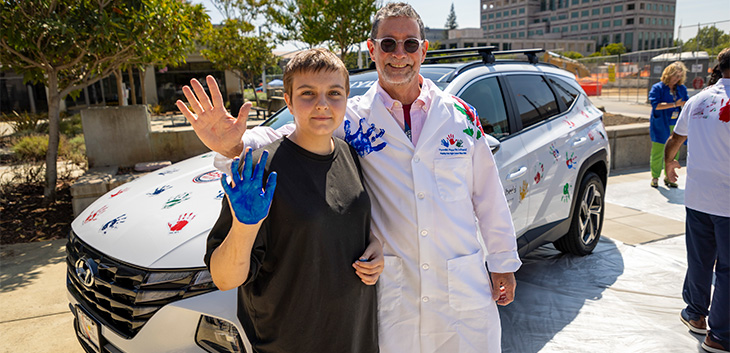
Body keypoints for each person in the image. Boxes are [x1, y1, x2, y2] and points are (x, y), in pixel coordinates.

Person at [179, 3, 521, 352]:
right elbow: (287, 136)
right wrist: (235, 144)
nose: (399, 54)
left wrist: (503, 261)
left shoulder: (461, 116)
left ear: (424, 50)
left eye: (410, 44)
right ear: (372, 49)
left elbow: (488, 194)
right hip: (396, 292)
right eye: (388, 43)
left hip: (461, 285)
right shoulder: (352, 117)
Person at [190, 48, 384, 353]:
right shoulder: (258, 171)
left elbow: (341, 219)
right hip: (290, 342)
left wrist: (374, 246)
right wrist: (244, 225)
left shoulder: (349, 154)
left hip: (355, 337)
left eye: (333, 93)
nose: (322, 104)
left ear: (346, 98)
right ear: (289, 101)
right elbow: (225, 279)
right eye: (308, 93)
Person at [665, 47, 730, 353]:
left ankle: (695, 314)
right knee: (728, 269)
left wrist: (669, 163)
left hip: (699, 198)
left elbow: (675, 138)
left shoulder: (699, 99)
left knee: (701, 259)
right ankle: (720, 335)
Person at [648, 61, 689, 188]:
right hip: (661, 124)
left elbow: (686, 103)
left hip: (676, 123)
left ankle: (669, 177)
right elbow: (656, 105)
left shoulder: (681, 88)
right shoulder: (657, 88)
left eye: (680, 76)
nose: (677, 79)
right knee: (658, 151)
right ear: (668, 74)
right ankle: (655, 177)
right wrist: (675, 104)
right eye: (675, 75)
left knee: (674, 151)